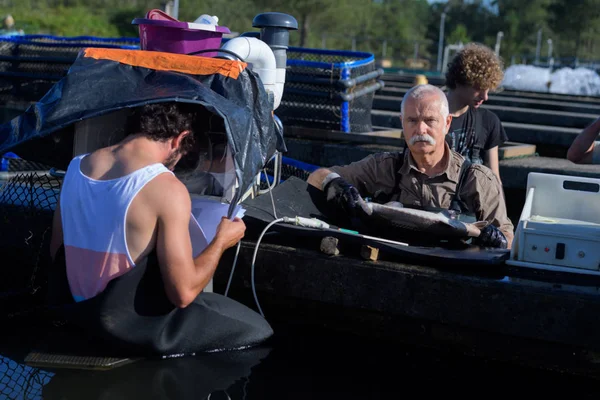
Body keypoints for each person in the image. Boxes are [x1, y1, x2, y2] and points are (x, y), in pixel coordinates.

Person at [48, 102, 273, 355]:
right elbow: (183, 293)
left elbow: (57, 251)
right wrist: (221, 241)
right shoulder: (165, 187)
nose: (175, 166)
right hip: (125, 327)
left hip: (76, 313)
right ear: (181, 139)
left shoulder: (76, 167)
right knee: (258, 329)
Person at [307, 84, 514, 249]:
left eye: (430, 120)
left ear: (447, 123)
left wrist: (498, 239)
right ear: (402, 122)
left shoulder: (477, 179)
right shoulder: (383, 167)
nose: (420, 129)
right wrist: (335, 184)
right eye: (412, 120)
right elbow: (317, 176)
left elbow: (507, 237)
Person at [444, 43, 508, 182]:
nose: (485, 97)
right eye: (479, 88)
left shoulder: (489, 121)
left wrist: (500, 203)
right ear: (460, 80)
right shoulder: (429, 118)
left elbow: (494, 176)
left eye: (488, 89)